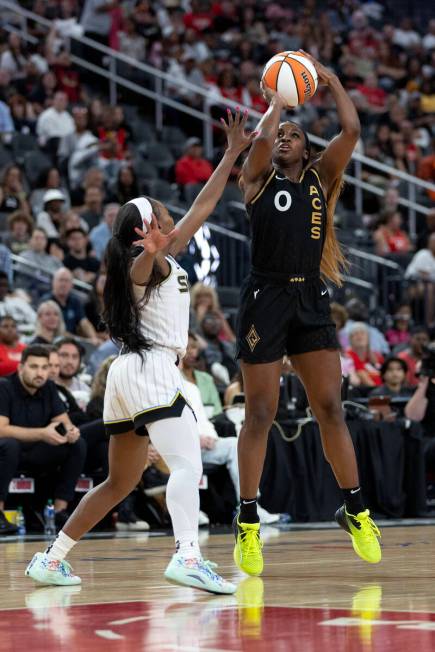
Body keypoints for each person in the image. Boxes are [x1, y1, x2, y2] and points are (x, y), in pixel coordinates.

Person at [26, 108, 255, 593]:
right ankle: (188, 556)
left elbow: (202, 207)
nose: (172, 214)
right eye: (161, 212)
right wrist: (150, 252)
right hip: (151, 369)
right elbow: (142, 267)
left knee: (118, 482)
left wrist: (233, 153)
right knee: (188, 464)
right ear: (147, 227)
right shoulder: (144, 263)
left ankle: (51, 558)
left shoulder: (158, 257)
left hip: (128, 374)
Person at [233, 53, 382, 578]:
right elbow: (254, 147)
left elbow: (353, 127)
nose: (283, 138)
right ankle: (248, 521)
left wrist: (333, 79)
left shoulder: (321, 178)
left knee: (331, 409)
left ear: (307, 148)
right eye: (280, 134)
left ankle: (355, 509)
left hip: (310, 299)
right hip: (265, 298)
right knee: (260, 414)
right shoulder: (257, 180)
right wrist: (277, 103)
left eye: (292, 133)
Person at [0, 345, 86, 533]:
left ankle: (59, 512)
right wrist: (42, 433)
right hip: (9, 451)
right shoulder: (4, 387)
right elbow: (1, 430)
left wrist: (71, 432)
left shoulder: (48, 387)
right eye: (34, 367)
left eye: (44, 367)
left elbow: (64, 422)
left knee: (77, 444)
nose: (40, 373)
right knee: (10, 446)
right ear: (21, 367)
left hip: (35, 452)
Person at [43, 267, 99, 344]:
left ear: (71, 284)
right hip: (53, 342)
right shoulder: (47, 302)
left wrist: (94, 337)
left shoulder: (75, 301)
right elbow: (58, 331)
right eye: (61, 280)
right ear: (53, 282)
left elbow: (84, 322)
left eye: (66, 281)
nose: (63, 284)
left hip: (73, 341)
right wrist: (83, 340)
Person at [346, 322, 384, 388]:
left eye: (362, 333)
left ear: (368, 338)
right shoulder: (349, 355)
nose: (359, 336)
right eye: (355, 334)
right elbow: (362, 376)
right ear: (350, 339)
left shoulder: (377, 356)